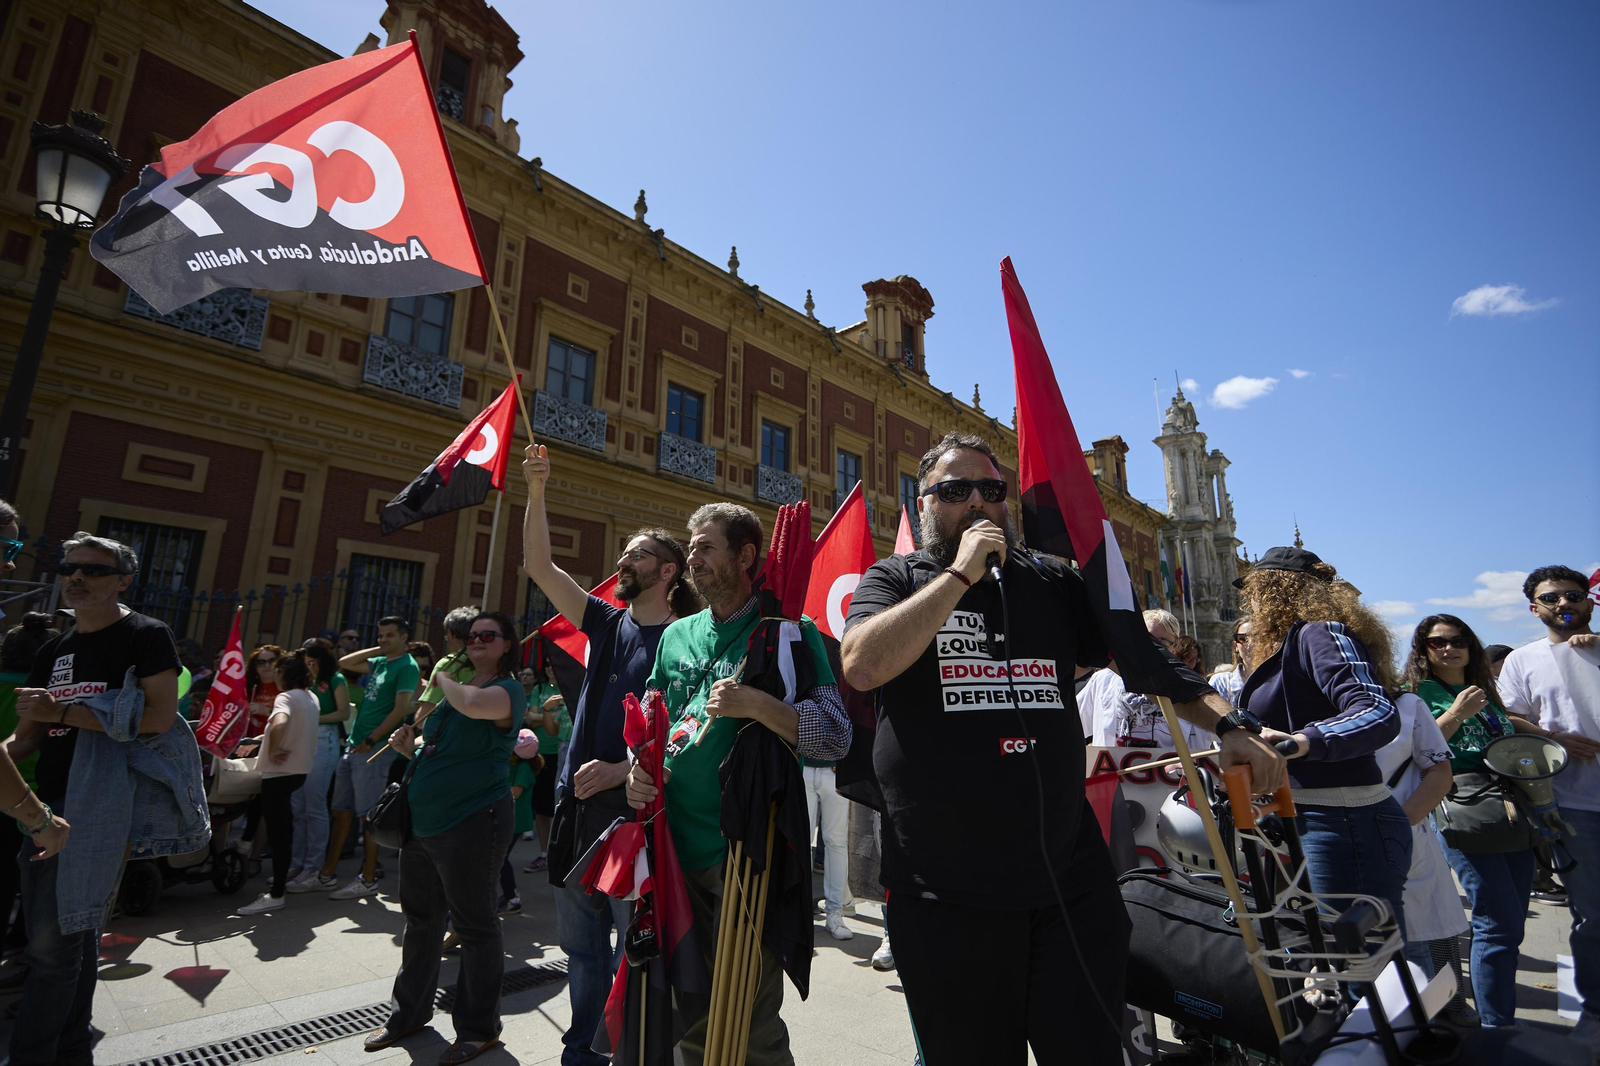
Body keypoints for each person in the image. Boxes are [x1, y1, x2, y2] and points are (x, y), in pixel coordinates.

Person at [839, 433, 1282, 1066]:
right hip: (945, 889)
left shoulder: (1051, 582)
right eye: (956, 491)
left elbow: (1146, 662)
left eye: (992, 491)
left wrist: (1232, 727)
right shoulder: (896, 579)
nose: (978, 504)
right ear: (924, 502)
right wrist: (961, 576)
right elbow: (862, 664)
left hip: (1068, 883)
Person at [626, 501, 851, 1066]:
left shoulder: (792, 632)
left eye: (705, 547)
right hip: (671, 848)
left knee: (748, 1013)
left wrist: (760, 705)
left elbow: (834, 736)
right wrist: (637, 770)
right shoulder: (676, 636)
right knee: (686, 1001)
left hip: (746, 852)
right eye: (690, 546)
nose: (691, 559)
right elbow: (655, 723)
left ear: (746, 555)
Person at [522, 441, 698, 1066]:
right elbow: (541, 567)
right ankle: (583, 1048)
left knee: (635, 947)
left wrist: (626, 770)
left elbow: (691, 727)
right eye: (625, 552)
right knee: (581, 944)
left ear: (669, 570)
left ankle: (634, 1048)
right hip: (579, 811)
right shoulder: (604, 621)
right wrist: (538, 490)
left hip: (636, 818)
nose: (623, 560)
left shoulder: (687, 639)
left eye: (638, 554)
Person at [9, 528, 201, 1066]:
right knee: (76, 931)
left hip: (99, 807)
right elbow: (26, 739)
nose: (77, 577)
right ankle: (71, 1045)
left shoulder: (145, 634)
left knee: (49, 948)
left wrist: (62, 713)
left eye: (93, 569)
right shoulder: (54, 649)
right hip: (41, 803)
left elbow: (161, 718)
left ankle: (31, 1056)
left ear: (123, 580)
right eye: (70, 567)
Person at [362, 611, 523, 1065]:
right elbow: (439, 745)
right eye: (472, 635)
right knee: (421, 922)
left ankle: (478, 1030)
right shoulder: (458, 692)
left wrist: (440, 673)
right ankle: (407, 1014)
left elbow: (473, 704)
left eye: (488, 635)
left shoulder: (505, 690)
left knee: (474, 926)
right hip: (424, 823)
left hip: (473, 821)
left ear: (506, 644)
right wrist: (406, 747)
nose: (476, 640)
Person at [1235, 547, 1410, 954]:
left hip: (1343, 823)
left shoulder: (1320, 631)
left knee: (1356, 969)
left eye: (1255, 590)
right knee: (1321, 967)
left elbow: (1376, 710)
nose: (1250, 601)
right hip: (1302, 821)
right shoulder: (1289, 643)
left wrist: (1299, 742)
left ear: (1277, 589)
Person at [1405, 613, 1543, 1028]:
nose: (1450, 647)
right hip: (1463, 806)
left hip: (1508, 806)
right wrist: (1458, 713)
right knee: (1496, 922)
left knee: (1512, 920)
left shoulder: (1480, 689)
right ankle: (1496, 1026)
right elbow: (1419, 746)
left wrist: (1547, 735)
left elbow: (1502, 727)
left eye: (1459, 639)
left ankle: (1498, 1017)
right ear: (1423, 651)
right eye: (1437, 642)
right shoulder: (1420, 693)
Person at [1495, 566, 1600, 1053]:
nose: (1564, 603)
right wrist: (1555, 737)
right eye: (1550, 598)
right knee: (1592, 914)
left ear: (1590, 600)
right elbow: (1510, 714)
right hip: (1574, 804)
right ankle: (1596, 1011)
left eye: (1573, 595)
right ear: (1534, 608)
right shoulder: (1523, 659)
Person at [1374, 667, 1472, 1024]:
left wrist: (1397, 827)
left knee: (1421, 947)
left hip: (1406, 842)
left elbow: (1439, 772)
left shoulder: (1407, 705)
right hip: (1336, 851)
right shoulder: (1304, 710)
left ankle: (1430, 1027)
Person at [319, 617, 419, 899]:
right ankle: (327, 873)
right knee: (340, 811)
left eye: (389, 636)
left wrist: (371, 741)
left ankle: (368, 877)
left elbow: (400, 711)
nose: (383, 640)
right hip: (354, 747)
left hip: (371, 751)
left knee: (368, 815)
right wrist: (380, 649)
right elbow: (346, 662)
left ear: (405, 637)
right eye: (380, 636)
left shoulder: (407, 666)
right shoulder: (382, 662)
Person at [238, 652, 317, 913]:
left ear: (285, 673)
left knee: (280, 835)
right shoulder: (310, 697)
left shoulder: (285, 697)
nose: (274, 673)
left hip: (278, 773)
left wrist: (271, 750)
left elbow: (281, 722)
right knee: (283, 831)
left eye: (278, 670)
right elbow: (290, 727)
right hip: (298, 771)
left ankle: (276, 893)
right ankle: (277, 886)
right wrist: (262, 741)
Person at [1078, 608, 1215, 751]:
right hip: (1114, 770)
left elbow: (1209, 737)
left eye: (1161, 641)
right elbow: (1074, 724)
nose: (1151, 646)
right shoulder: (1103, 680)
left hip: (1172, 772)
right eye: (1145, 637)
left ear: (1174, 647)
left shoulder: (1189, 685)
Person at [284, 641, 351, 893]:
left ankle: (313, 868)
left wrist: (311, 716)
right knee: (298, 806)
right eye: (306, 661)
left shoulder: (336, 680)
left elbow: (343, 713)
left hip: (324, 740)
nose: (309, 665)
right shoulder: (303, 682)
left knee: (314, 805)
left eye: (313, 661)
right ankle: (298, 864)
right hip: (302, 738)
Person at [501, 729, 543, 914]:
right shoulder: (515, 765)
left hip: (516, 820)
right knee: (500, 859)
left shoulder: (524, 768)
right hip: (509, 818)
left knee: (500, 859)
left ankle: (512, 900)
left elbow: (515, 793)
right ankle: (509, 895)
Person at [1210, 615, 1253, 708]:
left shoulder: (1279, 679)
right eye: (1243, 638)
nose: (1250, 644)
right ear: (1235, 646)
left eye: (1256, 637)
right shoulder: (1221, 683)